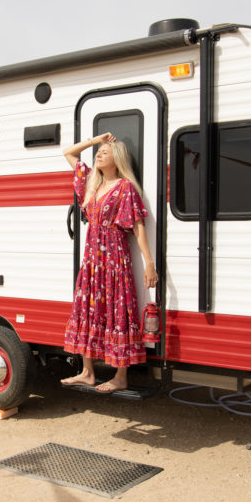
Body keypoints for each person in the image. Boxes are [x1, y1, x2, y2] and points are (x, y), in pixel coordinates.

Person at [61, 131, 158, 393]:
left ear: (117, 158)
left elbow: (138, 226)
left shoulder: (124, 188)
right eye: (98, 152)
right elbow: (68, 153)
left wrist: (149, 262)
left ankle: (120, 377)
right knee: (88, 311)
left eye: (104, 152)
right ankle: (87, 372)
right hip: (92, 260)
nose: (98, 154)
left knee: (118, 312)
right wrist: (95, 140)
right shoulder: (91, 183)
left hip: (115, 258)